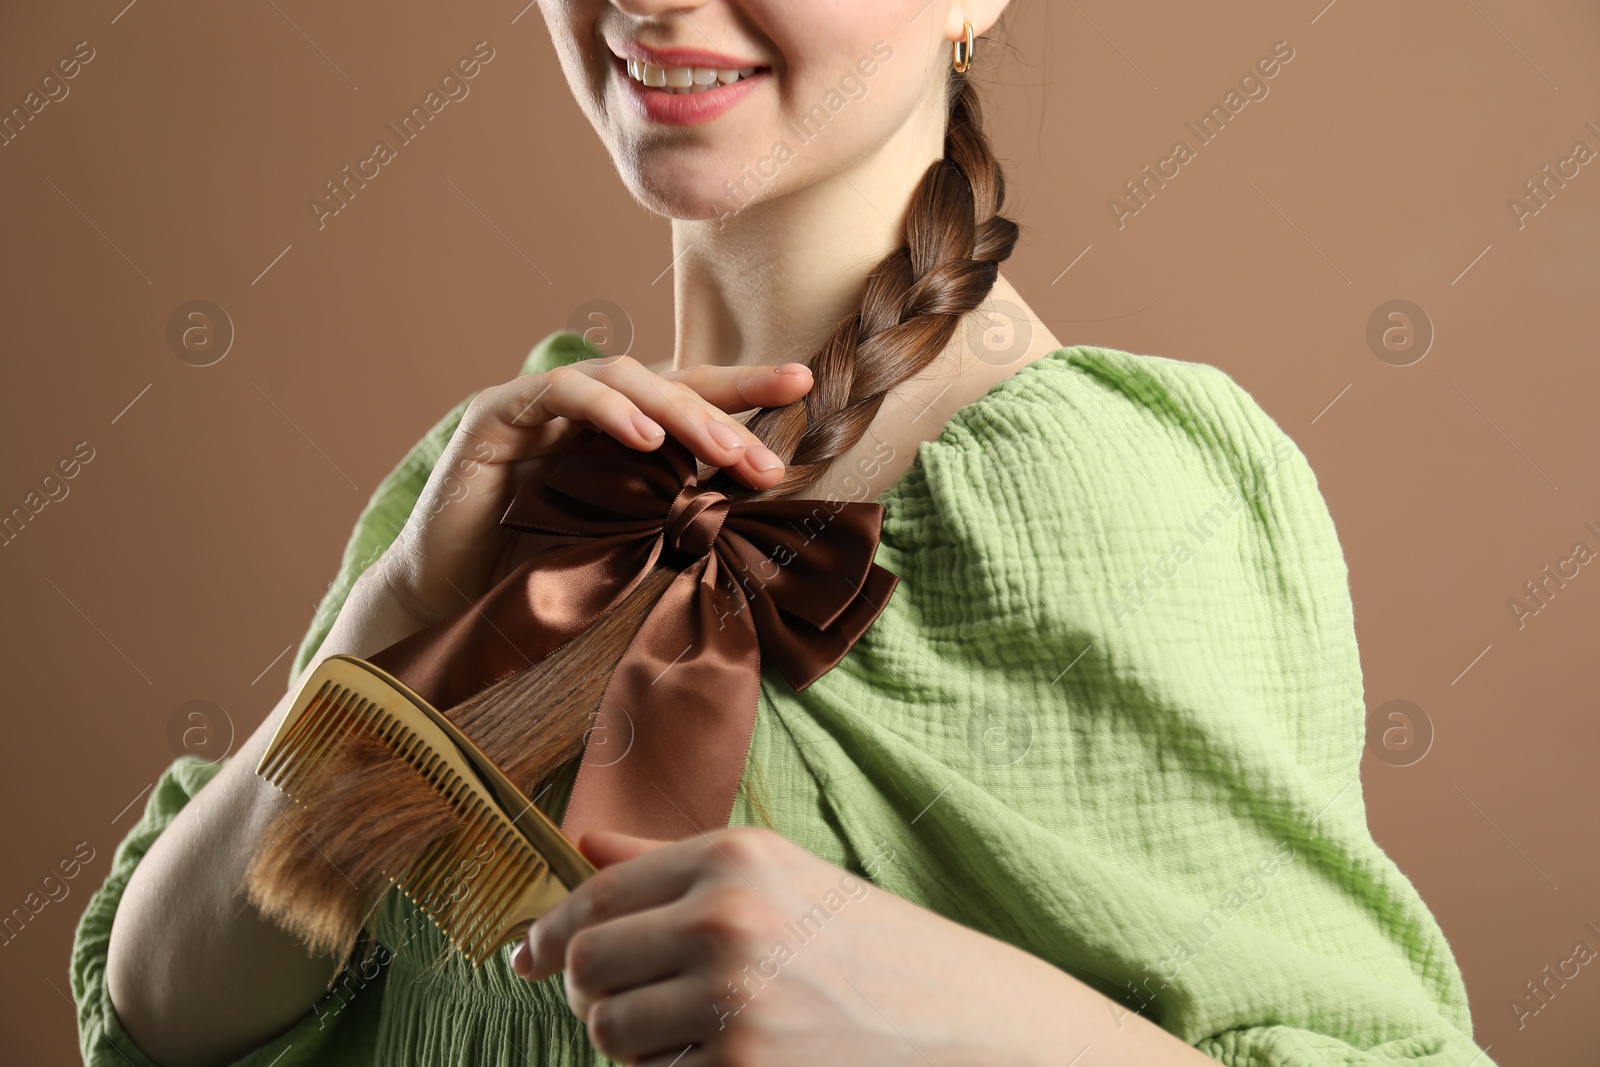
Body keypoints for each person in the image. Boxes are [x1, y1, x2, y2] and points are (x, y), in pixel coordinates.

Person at [72, 3, 1495, 1065]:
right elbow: (162, 1021)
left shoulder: (1115, 490)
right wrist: (390, 624)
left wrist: (957, 1027)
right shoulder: (503, 475)